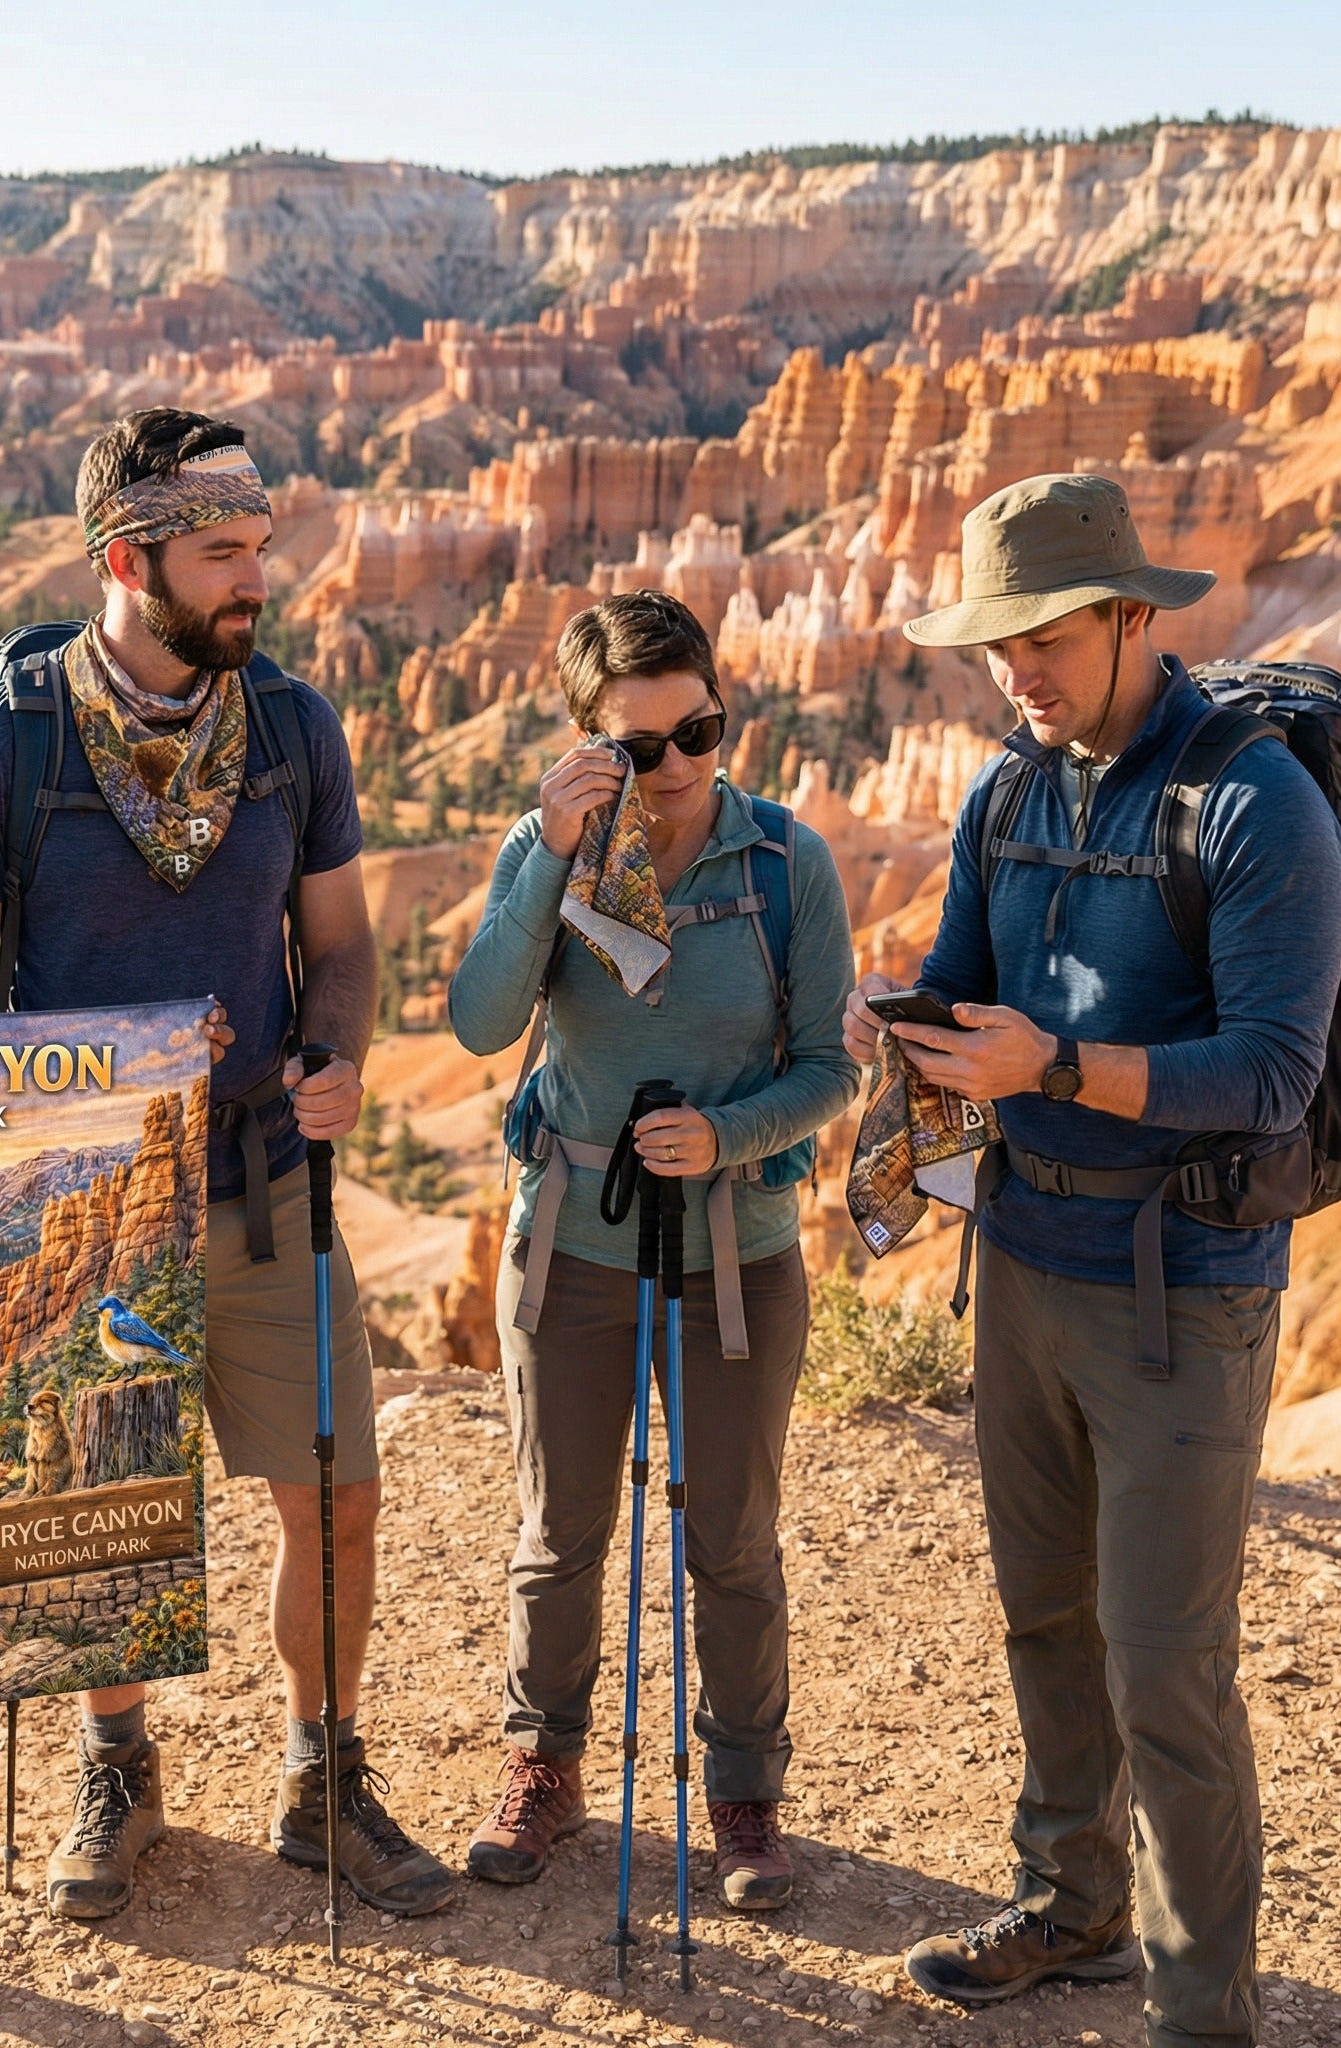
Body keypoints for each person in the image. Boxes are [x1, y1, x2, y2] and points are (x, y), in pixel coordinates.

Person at [0, 407, 454, 1920]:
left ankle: (320, 1774)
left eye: (257, 551)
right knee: (104, 1520)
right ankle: (119, 1763)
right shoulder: (1, 748)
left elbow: (337, 948)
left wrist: (334, 1056)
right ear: (123, 558)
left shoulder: (291, 731)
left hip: (271, 1190)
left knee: (335, 1499)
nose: (253, 583)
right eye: (222, 555)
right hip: (87, 1216)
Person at [842, 473, 1341, 2045]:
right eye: (996, 650)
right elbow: (963, 979)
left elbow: (1272, 1073)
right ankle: (1072, 1909)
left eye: (1045, 640)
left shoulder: (1257, 804)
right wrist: (905, 1022)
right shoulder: (1013, 789)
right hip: (1027, 1262)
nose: (1019, 675)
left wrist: (1052, 1066)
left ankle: (1204, 2012)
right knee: (1043, 1617)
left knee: (1167, 1670)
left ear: (1134, 616)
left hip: (1184, 1286)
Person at [449, 589, 857, 1904]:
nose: (676, 769)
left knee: (731, 1538)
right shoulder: (552, 848)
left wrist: (726, 1137)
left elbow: (829, 1072)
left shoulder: (786, 864)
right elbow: (476, 1018)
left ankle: (743, 1795)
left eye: (701, 733)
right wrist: (550, 855)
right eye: (638, 748)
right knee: (558, 1531)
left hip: (737, 1255)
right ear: (585, 745)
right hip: (571, 1249)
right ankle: (544, 1768)